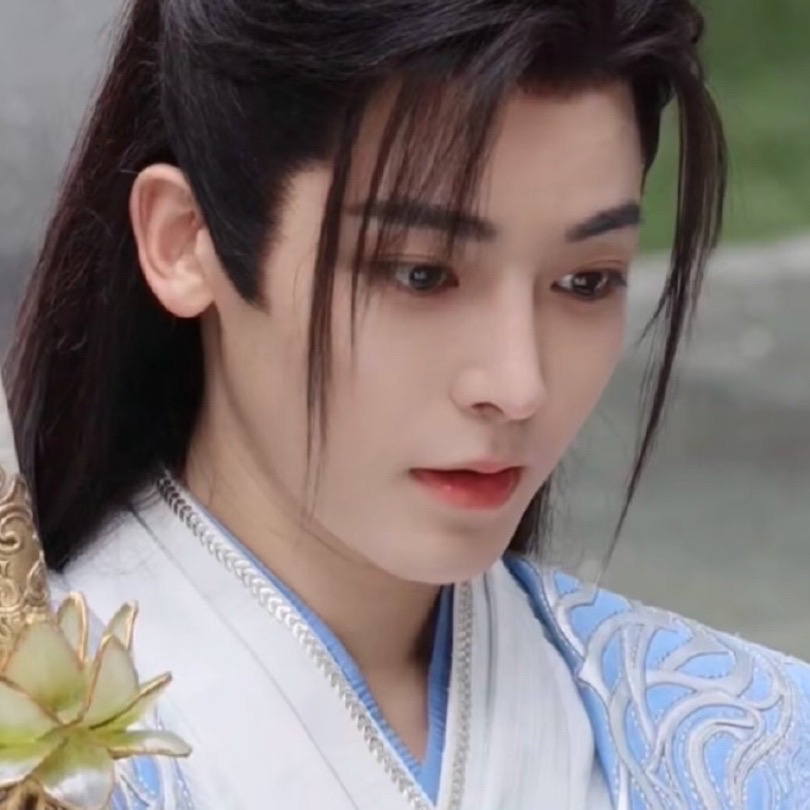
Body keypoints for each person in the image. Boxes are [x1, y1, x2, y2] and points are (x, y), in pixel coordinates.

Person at [5, 0, 810, 807]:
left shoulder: (753, 750)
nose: (518, 385)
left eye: (585, 281)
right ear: (184, 241)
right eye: (421, 274)